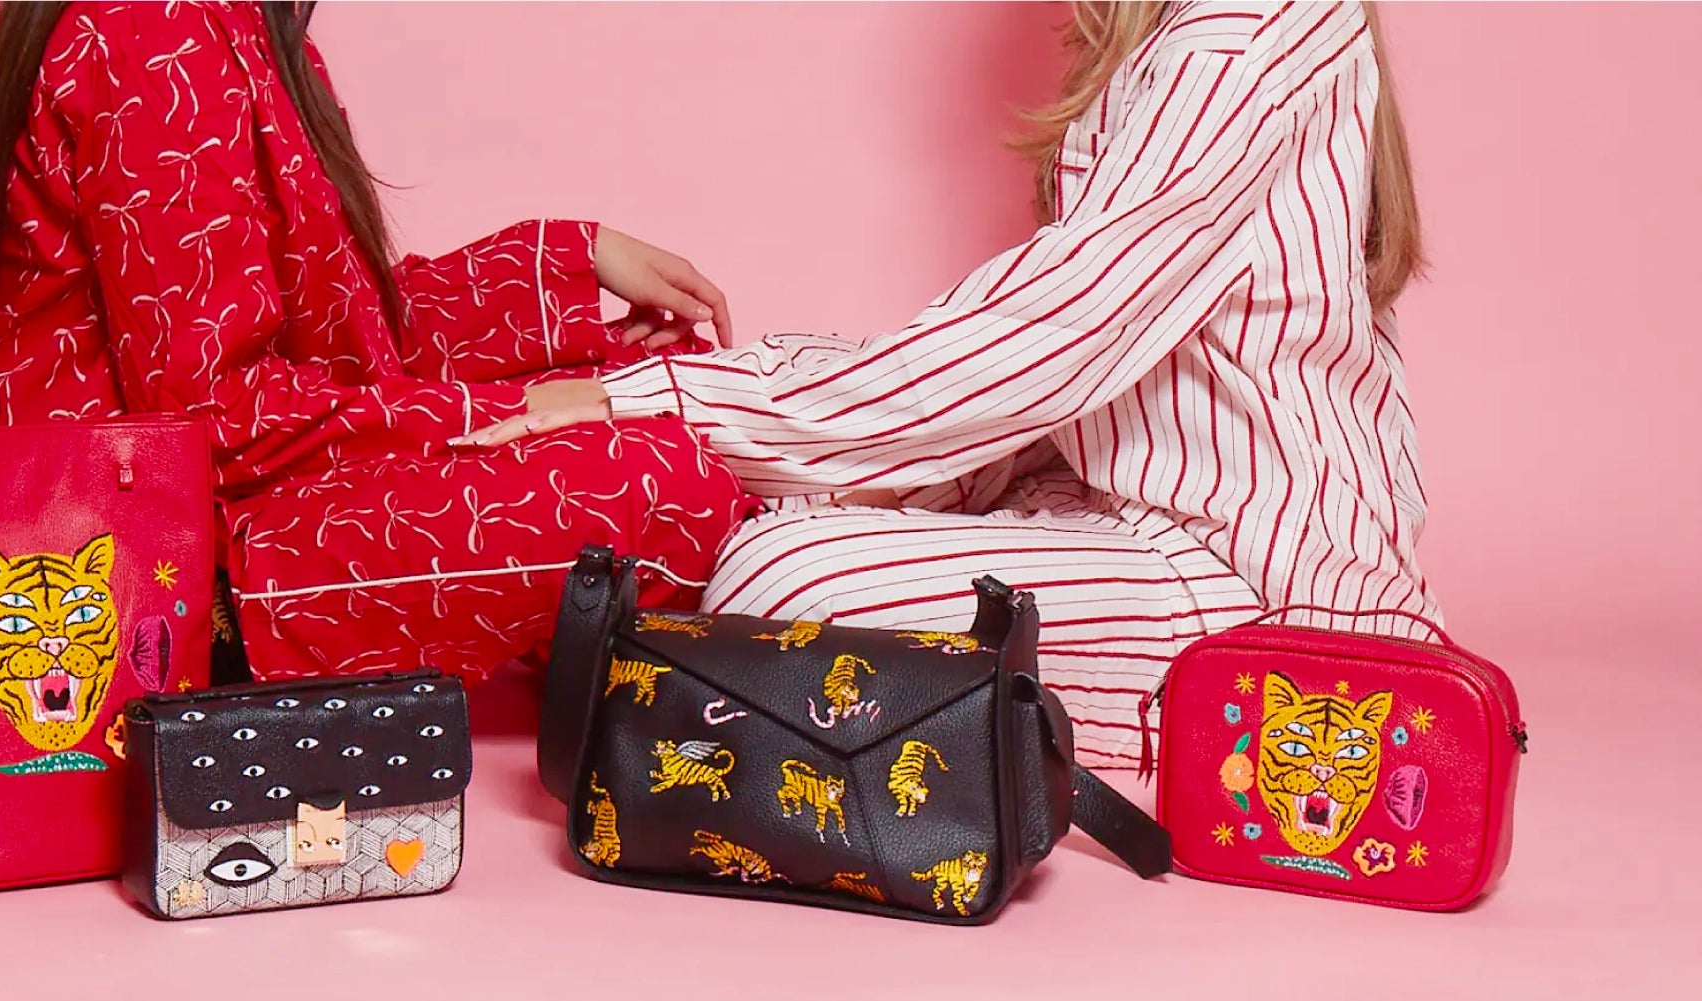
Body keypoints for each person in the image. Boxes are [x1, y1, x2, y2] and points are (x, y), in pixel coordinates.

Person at [463, 1, 1440, 765]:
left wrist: (670, 398)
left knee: (784, 574)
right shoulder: (1189, 33)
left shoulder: (1237, 42)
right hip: (1123, 506)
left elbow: (1039, 339)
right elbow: (1046, 347)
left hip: (1257, 582)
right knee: (761, 519)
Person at [0, 1, 755, 683]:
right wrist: (529, 409)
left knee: (664, 380)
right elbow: (211, 418)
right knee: (659, 475)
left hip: (235, 502)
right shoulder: (151, 32)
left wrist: (569, 258)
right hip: (151, 570)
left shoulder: (246, 29)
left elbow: (342, 341)